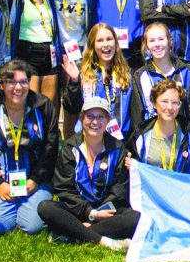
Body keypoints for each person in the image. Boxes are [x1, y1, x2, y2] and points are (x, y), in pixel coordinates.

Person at [37, 96, 138, 249]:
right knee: (45, 207)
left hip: (107, 211)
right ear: (82, 118)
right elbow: (64, 188)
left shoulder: (118, 149)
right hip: (77, 210)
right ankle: (105, 241)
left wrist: (99, 213)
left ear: (108, 120)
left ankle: (73, 234)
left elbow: (119, 190)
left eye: (100, 117)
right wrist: (90, 212)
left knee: (134, 218)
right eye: (90, 116)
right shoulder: (69, 148)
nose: (95, 122)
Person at [0, 60, 58, 234]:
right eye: (11, 82)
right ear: (1, 85)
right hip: (0, 182)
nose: (18, 87)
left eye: (23, 81)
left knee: (32, 226)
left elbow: (50, 148)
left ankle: (34, 204)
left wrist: (36, 180)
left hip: (34, 180)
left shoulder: (43, 106)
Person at [130, 22, 190, 133]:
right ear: (147, 45)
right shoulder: (140, 76)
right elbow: (137, 115)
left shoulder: (187, 71)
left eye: (161, 39)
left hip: (184, 137)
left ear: (170, 41)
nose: (157, 44)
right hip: (153, 138)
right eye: (152, 41)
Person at [62, 23, 134, 140]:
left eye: (109, 39)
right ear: (92, 46)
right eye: (100, 40)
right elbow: (71, 107)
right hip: (88, 140)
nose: (105, 44)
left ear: (116, 43)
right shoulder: (82, 72)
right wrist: (74, 82)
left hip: (120, 141)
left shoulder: (127, 74)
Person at [129, 79, 190, 175]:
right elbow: (131, 166)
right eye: (164, 101)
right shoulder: (141, 133)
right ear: (154, 103)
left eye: (175, 102)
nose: (170, 107)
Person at [13, 0, 60, 109]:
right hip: (28, 50)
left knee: (49, 105)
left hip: (49, 51)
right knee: (30, 103)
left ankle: (48, 134)